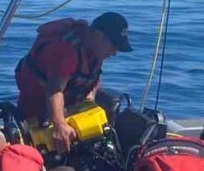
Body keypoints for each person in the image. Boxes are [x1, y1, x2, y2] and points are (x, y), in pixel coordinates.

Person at [14, 12, 132, 153]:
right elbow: (54, 90)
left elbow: (93, 77)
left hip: (70, 103)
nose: (115, 53)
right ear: (99, 36)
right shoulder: (67, 52)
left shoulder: (95, 49)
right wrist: (59, 126)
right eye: (114, 46)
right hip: (38, 111)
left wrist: (88, 106)